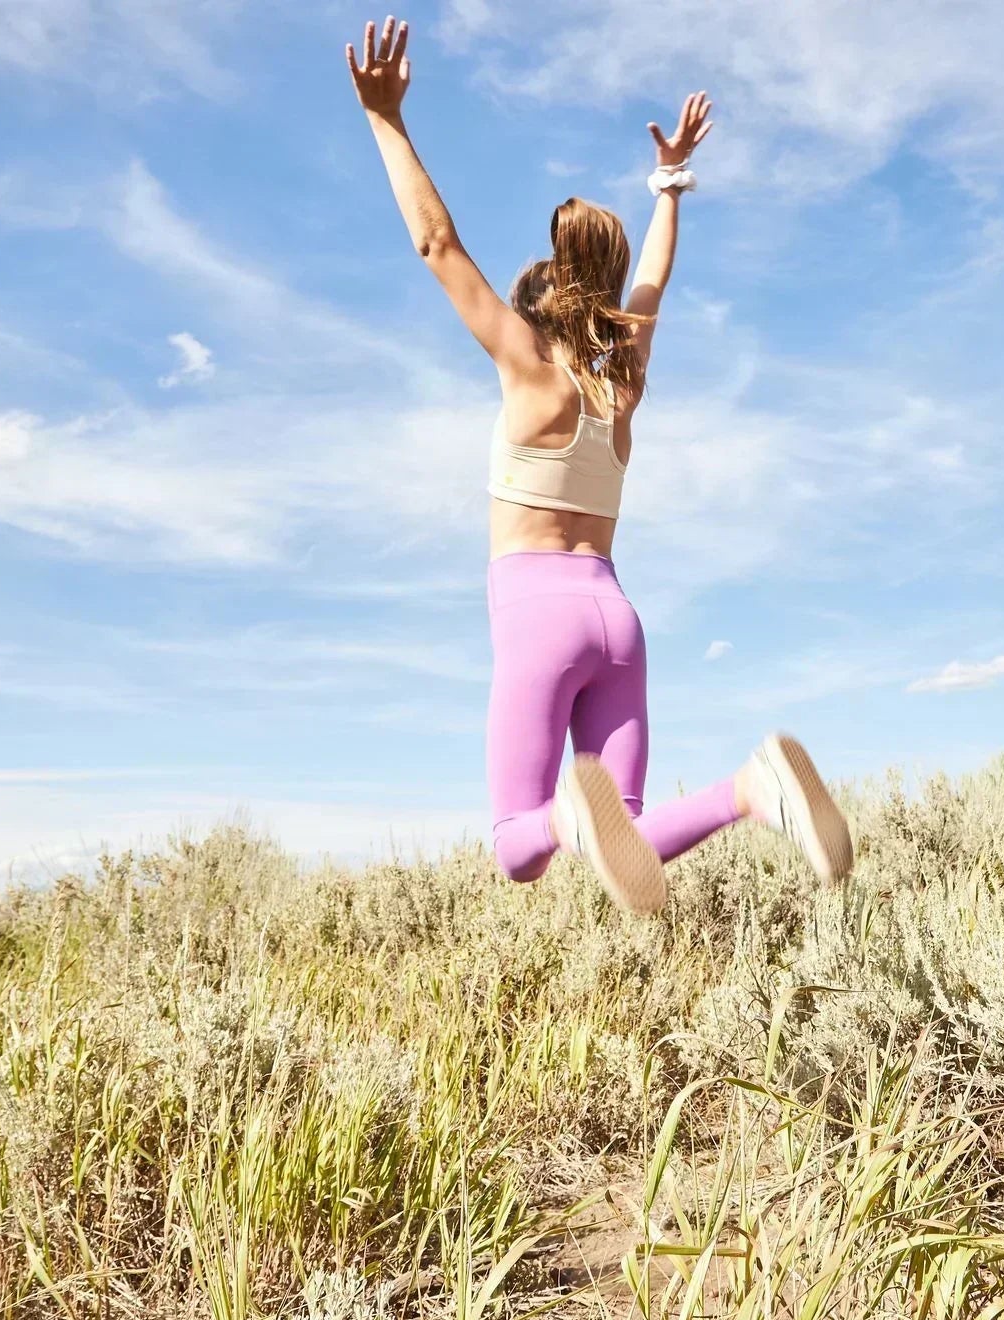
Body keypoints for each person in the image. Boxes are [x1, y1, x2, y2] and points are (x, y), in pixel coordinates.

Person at [347, 16, 851, 913]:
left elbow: (437, 246)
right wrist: (670, 186)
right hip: (617, 618)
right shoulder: (623, 383)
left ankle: (571, 817)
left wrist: (386, 120)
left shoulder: (527, 370)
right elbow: (648, 290)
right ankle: (751, 789)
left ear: (531, 314)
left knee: (518, 847)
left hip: (539, 616)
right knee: (629, 839)